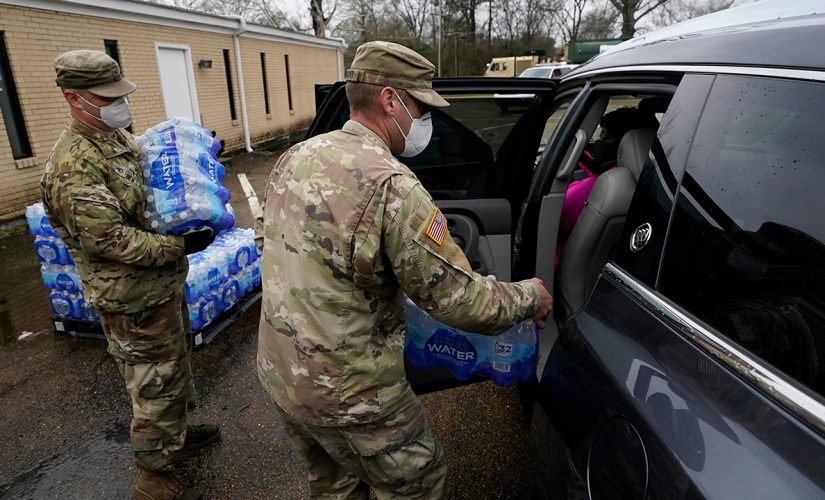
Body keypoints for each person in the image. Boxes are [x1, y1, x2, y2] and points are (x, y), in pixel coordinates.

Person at [256, 40, 554, 499]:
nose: (425, 122)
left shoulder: (295, 157)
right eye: (421, 106)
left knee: (334, 485)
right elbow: (461, 301)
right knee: (417, 480)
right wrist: (530, 294)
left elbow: (271, 244)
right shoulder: (390, 183)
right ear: (390, 99)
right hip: (351, 395)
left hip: (282, 374)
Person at [41, 50, 220, 500]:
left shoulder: (114, 137)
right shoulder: (73, 164)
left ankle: (173, 437)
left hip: (159, 287)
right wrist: (180, 246)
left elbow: (150, 184)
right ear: (73, 98)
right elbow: (111, 241)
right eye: (107, 97)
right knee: (152, 382)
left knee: (172, 368)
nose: (119, 104)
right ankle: (153, 477)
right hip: (131, 298)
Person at [554, 107, 659, 269]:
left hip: (559, 269)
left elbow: (551, 222)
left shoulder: (603, 186)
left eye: (604, 135)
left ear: (622, 145)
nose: (599, 141)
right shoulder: (660, 189)